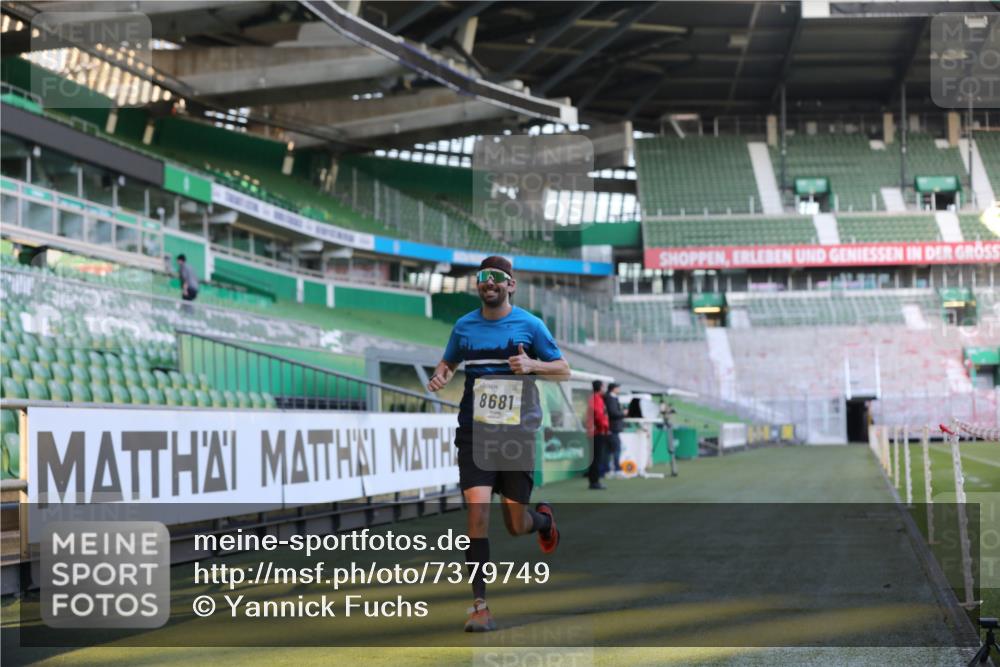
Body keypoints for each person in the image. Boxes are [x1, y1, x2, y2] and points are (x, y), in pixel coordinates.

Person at [427, 256, 570, 633]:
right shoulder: (464, 327)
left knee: (515, 522)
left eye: (497, 278)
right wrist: (441, 376)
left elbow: (564, 368)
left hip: (516, 433)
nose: (488, 283)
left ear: (510, 285)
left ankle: (541, 520)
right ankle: (479, 606)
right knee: (477, 514)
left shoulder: (530, 325)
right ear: (477, 285)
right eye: (482, 278)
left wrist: (533, 367)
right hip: (475, 432)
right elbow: (448, 363)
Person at [585, 380, 609, 490]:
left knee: (595, 457)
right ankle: (594, 482)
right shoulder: (596, 398)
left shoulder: (594, 398)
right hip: (597, 432)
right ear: (600, 387)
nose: (605, 388)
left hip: (595, 431)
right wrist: (604, 428)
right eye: (604, 386)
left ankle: (593, 480)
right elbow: (599, 415)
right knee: (596, 458)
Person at [604, 383, 625, 477]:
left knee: (609, 450)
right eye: (618, 388)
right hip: (612, 428)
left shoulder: (611, 398)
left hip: (611, 427)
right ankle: (617, 470)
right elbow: (613, 413)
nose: (619, 390)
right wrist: (623, 413)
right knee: (616, 449)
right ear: (613, 389)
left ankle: (608, 470)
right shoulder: (610, 398)